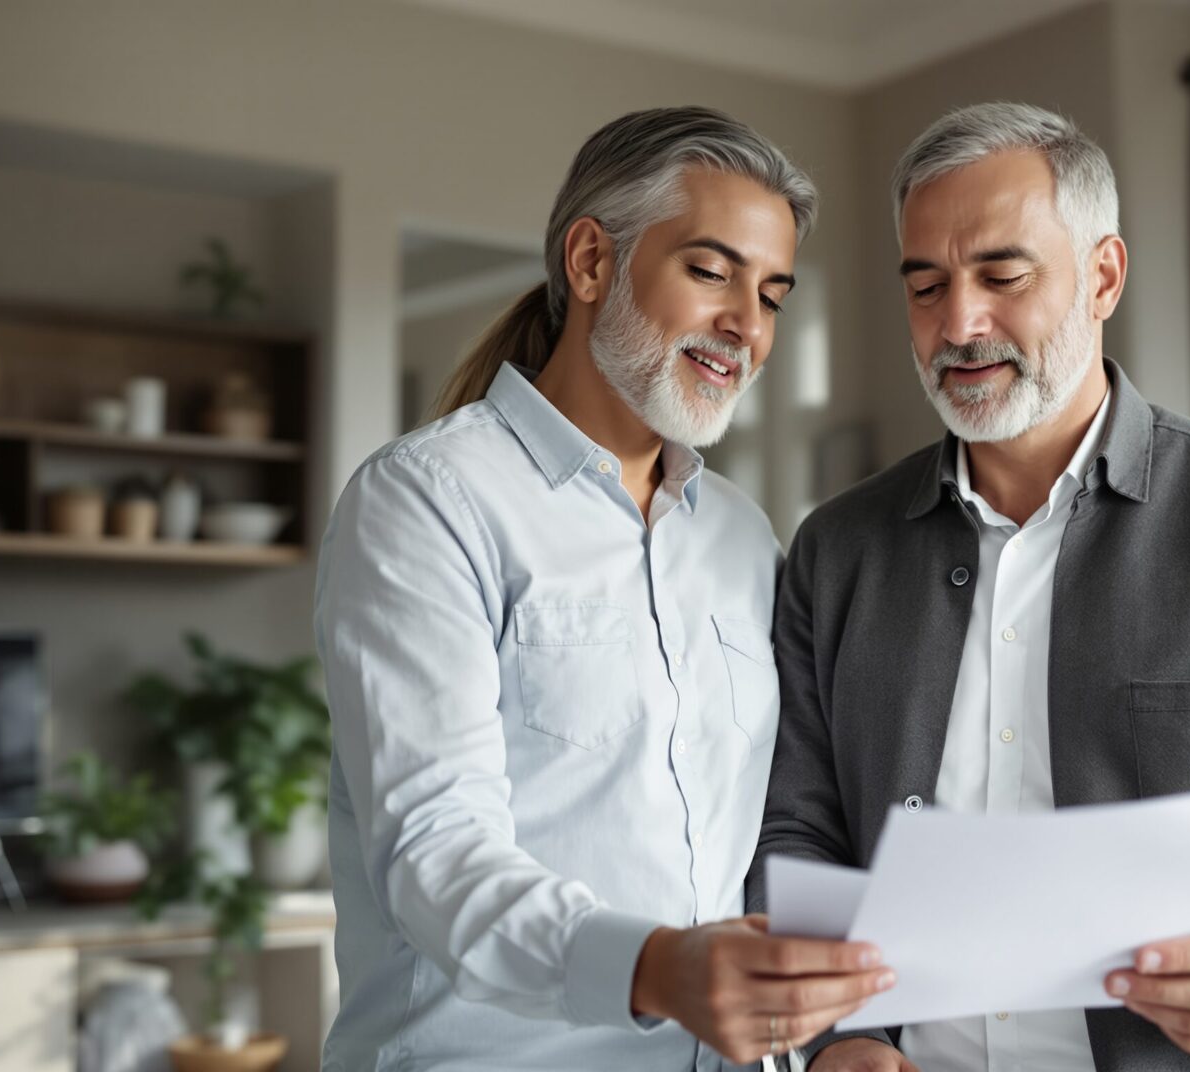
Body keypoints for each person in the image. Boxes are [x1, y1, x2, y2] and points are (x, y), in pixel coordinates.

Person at [749, 102, 1190, 1071]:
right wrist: (832, 1040)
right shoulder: (834, 552)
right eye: (926, 285)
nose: (958, 323)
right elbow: (796, 829)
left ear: (1103, 274)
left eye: (1001, 274)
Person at [316, 106, 893, 1072]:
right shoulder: (425, 502)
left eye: (774, 294)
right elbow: (434, 854)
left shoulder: (746, 541)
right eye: (710, 271)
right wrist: (658, 970)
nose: (747, 327)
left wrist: (838, 1035)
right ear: (591, 263)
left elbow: (768, 834)